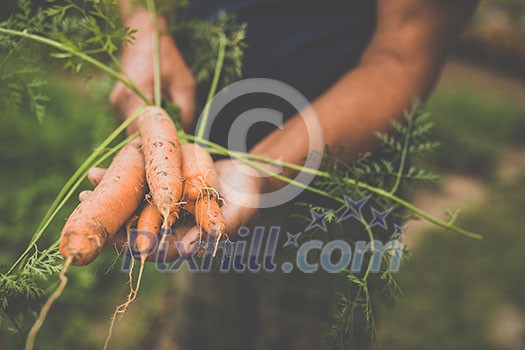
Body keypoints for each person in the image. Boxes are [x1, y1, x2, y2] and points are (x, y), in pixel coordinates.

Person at [92, 0, 479, 348]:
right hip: (204, 175)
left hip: (332, 190)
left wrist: (256, 171)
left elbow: (402, 59)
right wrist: (144, 23)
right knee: (202, 330)